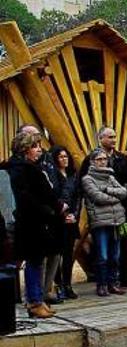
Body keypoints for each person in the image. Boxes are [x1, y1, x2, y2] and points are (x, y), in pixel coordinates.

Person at [8, 132, 64, 318]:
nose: (38, 150)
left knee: (37, 261)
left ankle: (37, 299)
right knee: (33, 261)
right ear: (25, 149)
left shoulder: (28, 167)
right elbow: (30, 197)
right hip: (31, 222)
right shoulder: (23, 169)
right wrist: (48, 211)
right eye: (34, 146)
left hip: (36, 220)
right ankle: (34, 301)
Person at [80, 127, 127, 288]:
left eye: (115, 136)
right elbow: (92, 191)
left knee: (120, 249)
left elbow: (126, 186)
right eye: (110, 137)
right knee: (103, 252)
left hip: (120, 213)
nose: (113, 139)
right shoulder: (89, 161)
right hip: (100, 215)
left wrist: (122, 200)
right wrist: (115, 196)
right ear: (101, 139)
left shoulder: (122, 159)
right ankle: (103, 283)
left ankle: (122, 280)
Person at [80, 148, 127, 297]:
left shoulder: (110, 176)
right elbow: (98, 197)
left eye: (104, 159)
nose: (102, 161)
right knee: (103, 256)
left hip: (116, 220)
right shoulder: (87, 179)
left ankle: (113, 283)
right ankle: (101, 285)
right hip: (100, 222)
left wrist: (107, 189)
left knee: (115, 255)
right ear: (92, 162)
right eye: (99, 159)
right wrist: (115, 198)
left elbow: (124, 192)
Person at [50, 146, 80, 301]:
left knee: (68, 254)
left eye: (66, 156)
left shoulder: (72, 175)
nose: (64, 159)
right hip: (58, 219)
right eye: (61, 157)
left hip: (71, 220)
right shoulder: (53, 175)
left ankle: (67, 284)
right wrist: (62, 214)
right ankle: (58, 283)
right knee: (56, 254)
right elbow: (53, 197)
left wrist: (74, 214)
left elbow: (77, 198)